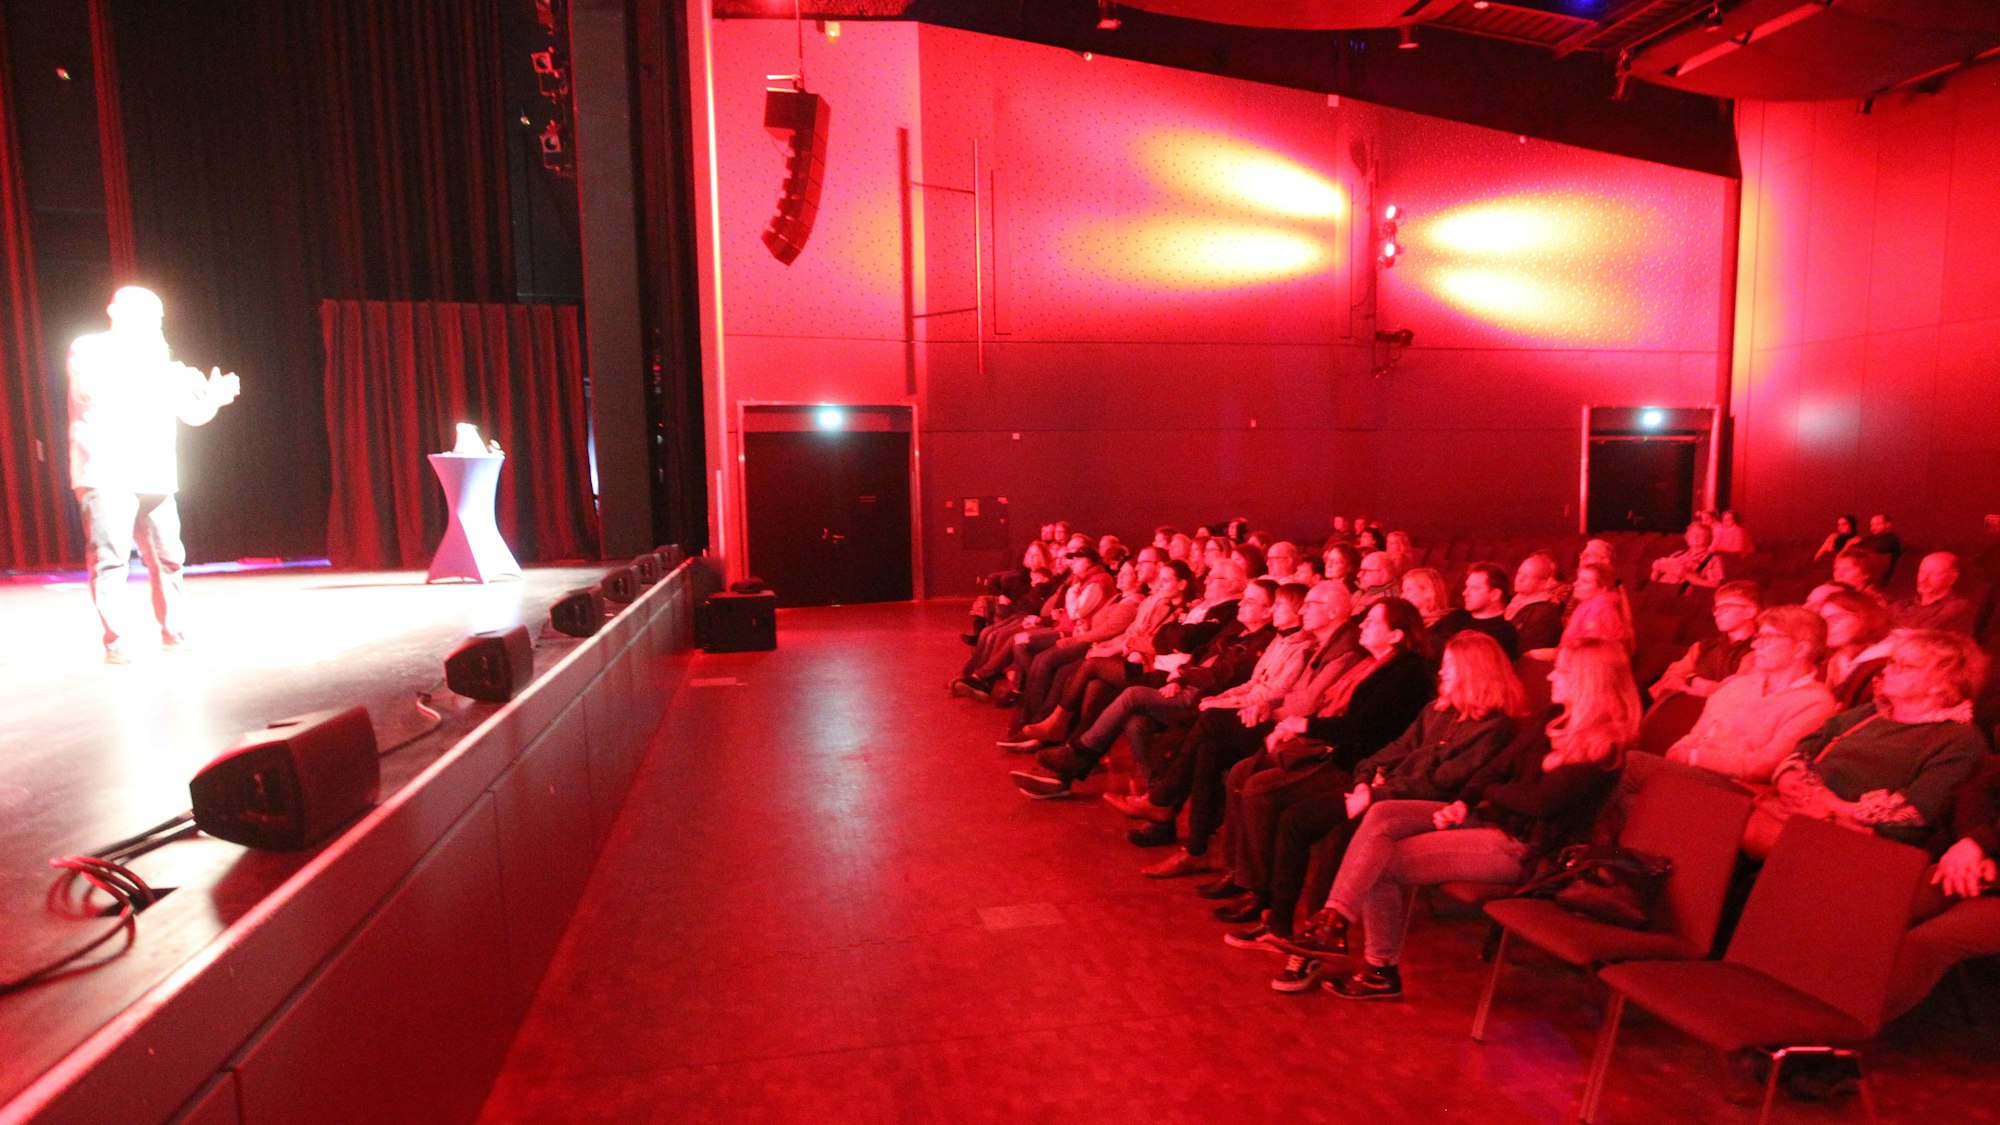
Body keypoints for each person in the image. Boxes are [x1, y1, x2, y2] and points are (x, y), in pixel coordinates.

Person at [1309, 638, 1638, 1000]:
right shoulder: (1552, 719)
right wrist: (1464, 803)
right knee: (1382, 812)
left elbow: (1541, 804)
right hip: (1488, 821)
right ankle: (1333, 921)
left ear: (1588, 680)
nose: (1550, 677)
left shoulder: (1605, 746)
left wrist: (1490, 793)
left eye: (1562, 671)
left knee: (1379, 861)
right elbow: (1494, 769)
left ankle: (1377, 968)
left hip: (1524, 850)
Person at [1228, 632, 1524, 967]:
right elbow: (1391, 751)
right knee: (1297, 819)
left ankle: (1317, 938)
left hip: (1432, 810)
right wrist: (1366, 781)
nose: (1442, 673)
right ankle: (1281, 926)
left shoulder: (1495, 729)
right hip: (1383, 793)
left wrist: (1380, 790)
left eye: (1450, 666)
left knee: (1343, 832)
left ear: (1475, 672)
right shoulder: (1436, 711)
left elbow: (1443, 783)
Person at [68, 285, 242, 663]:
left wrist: (214, 397)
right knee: (110, 558)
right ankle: (117, 642)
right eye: (148, 315)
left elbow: (193, 415)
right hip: (107, 472)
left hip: (155, 473)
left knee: (167, 557)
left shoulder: (163, 365)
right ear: (116, 312)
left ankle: (174, 632)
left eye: (158, 317)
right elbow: (93, 393)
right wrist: (162, 375)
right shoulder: (91, 349)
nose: (155, 323)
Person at [1745, 629, 1990, 857]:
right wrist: (1794, 782)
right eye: (1892, 661)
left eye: (1906, 666)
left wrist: (1832, 806)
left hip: (1861, 845)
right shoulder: (1870, 713)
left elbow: (1919, 810)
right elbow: (1805, 749)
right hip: (1796, 813)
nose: (1887, 671)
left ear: (1943, 683)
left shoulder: (1959, 739)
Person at [1665, 606, 1839, 785]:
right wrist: (1679, 749)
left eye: (1768, 638)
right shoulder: (1739, 684)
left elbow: (1765, 766)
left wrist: (1693, 756)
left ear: (1800, 649)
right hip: (1694, 774)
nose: (1755, 645)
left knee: (1634, 764)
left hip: (1736, 789)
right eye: (1758, 637)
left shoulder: (1816, 702)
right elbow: (1697, 734)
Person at [1648, 580, 1761, 703]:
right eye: (1716, 608)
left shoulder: (1761, 652)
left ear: (1749, 612)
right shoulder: (1703, 646)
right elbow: (1670, 677)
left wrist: (1697, 682)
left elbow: (1737, 693)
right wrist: (1689, 683)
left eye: (1725, 607)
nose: (1717, 613)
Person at [1819, 588, 1895, 711]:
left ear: (1864, 617)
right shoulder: (1831, 663)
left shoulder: (1884, 667)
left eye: (1835, 618)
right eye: (1824, 621)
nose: (1827, 627)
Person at [1436, 562, 1520, 659]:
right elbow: (1425, 640)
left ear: (1494, 595)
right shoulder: (1458, 616)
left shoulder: (1504, 633)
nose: (1465, 593)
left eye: (1474, 588)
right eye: (1467, 587)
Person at [1893, 551, 1977, 635]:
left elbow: (1923, 634)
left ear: (1952, 578)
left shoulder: (1958, 608)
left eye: (1935, 573)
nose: (1924, 579)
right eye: (1922, 572)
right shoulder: (1902, 605)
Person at [1559, 562, 1634, 654]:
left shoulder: (1601, 611)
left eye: (1585, 581)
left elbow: (1590, 656)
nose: (1575, 584)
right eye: (1578, 579)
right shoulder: (1588, 604)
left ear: (1603, 588)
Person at [1508, 552, 1567, 657]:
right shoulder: (1514, 601)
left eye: (1527, 576)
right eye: (1519, 573)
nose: (1519, 579)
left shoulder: (1544, 615)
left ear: (1543, 583)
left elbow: (1524, 653)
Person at [1648, 521, 1725, 589]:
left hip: (1685, 598)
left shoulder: (1713, 559)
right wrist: (1657, 569)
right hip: (1661, 592)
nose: (1695, 536)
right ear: (1687, 537)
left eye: (1700, 534)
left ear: (1708, 538)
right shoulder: (1678, 554)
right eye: (1692, 533)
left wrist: (1686, 573)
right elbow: (1656, 576)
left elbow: (1715, 585)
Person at [1859, 513, 1904, 584]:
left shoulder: (1891, 540)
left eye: (1877, 524)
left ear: (1888, 525)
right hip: (1864, 574)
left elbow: (1875, 551)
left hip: (1878, 578)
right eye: (1872, 525)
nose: (1873, 528)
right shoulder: (1870, 539)